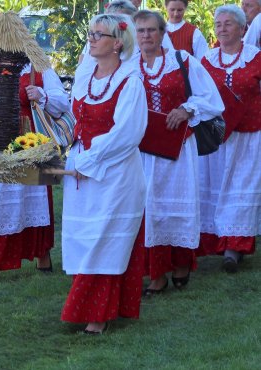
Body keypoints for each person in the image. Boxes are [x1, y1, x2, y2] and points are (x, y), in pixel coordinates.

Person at [0, 11, 70, 285]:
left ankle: (41, 252)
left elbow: (61, 103)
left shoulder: (37, 66)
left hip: (27, 142)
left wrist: (41, 96)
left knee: (31, 196)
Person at [61, 14, 147, 334]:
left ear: (117, 43)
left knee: (104, 241)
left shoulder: (131, 81)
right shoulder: (85, 76)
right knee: (86, 238)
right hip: (83, 172)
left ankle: (97, 313)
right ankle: (101, 307)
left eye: (99, 35)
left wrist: (90, 160)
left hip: (116, 175)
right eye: (91, 33)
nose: (92, 39)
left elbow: (127, 133)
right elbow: (74, 121)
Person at [133, 10, 224, 294]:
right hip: (143, 151)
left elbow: (211, 99)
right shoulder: (129, 66)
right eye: (141, 31)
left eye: (151, 30)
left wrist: (186, 109)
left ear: (163, 33)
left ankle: (182, 264)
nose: (146, 36)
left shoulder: (182, 61)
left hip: (178, 149)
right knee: (148, 207)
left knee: (177, 204)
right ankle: (156, 273)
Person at [198, 5, 261, 272]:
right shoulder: (207, 60)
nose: (222, 28)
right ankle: (217, 241)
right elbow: (197, 93)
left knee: (240, 187)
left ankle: (234, 247)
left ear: (242, 28)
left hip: (248, 136)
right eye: (218, 23)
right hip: (216, 137)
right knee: (216, 186)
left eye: (228, 23)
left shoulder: (256, 57)